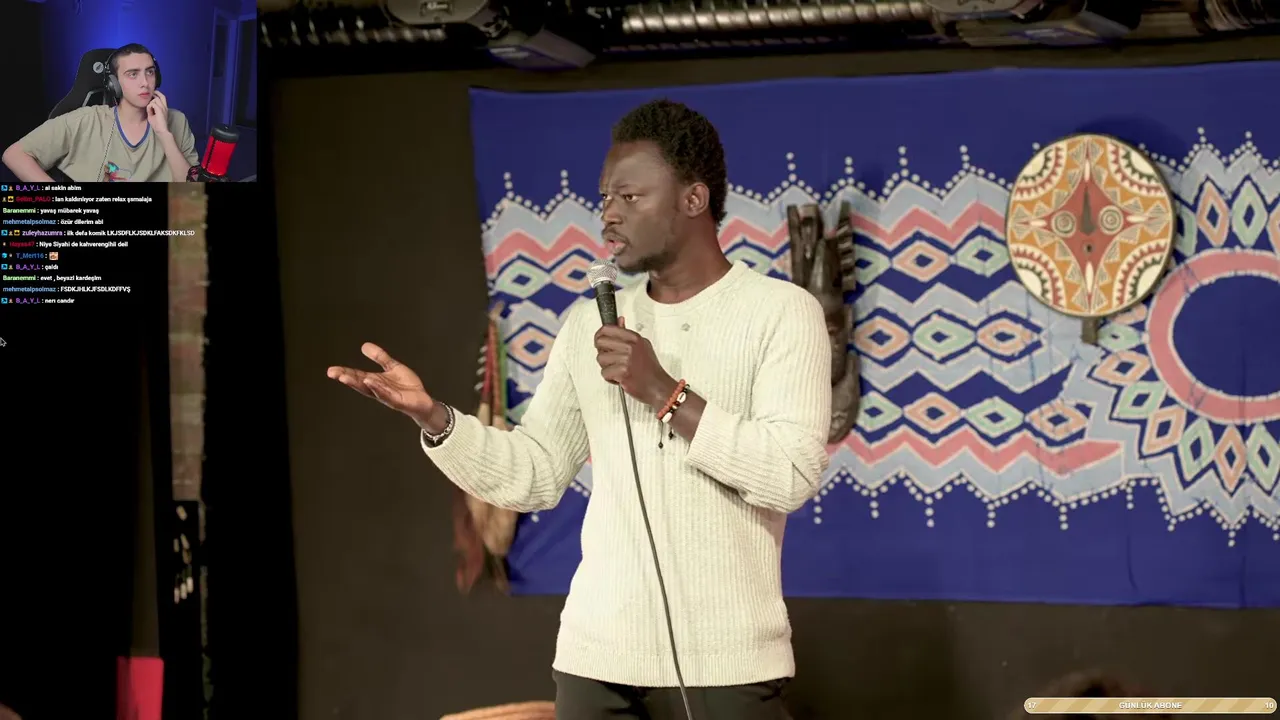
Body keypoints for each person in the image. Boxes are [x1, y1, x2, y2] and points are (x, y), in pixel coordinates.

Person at [328, 99, 831, 719]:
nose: (609, 214)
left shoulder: (781, 313)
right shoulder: (587, 322)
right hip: (597, 660)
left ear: (693, 199)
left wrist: (665, 393)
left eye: (630, 197)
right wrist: (434, 418)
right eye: (604, 199)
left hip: (728, 664)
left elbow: (790, 474)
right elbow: (535, 474)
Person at [1, 43, 198, 182]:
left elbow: (192, 192)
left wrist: (164, 134)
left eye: (150, 72)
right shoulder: (86, 121)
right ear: (114, 84)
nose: (145, 82)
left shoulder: (177, 121)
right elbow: (14, 155)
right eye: (133, 74)